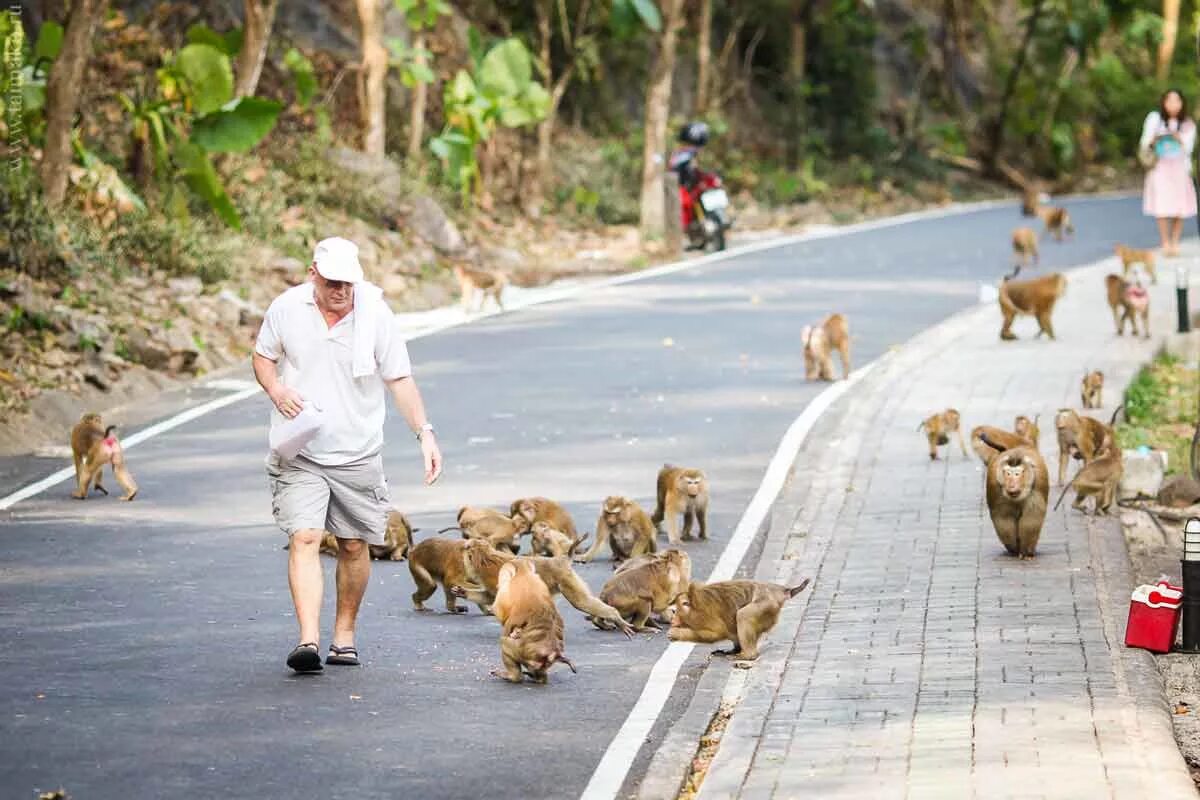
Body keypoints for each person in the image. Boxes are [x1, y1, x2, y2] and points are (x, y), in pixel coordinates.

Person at [253, 236, 443, 673]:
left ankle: (344, 635)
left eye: (349, 283)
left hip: (357, 450)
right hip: (300, 447)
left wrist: (425, 435)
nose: (341, 290)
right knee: (304, 536)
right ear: (312, 274)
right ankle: (307, 640)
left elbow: (400, 380)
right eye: (333, 281)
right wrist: (276, 389)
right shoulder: (286, 308)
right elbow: (263, 357)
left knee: (354, 545)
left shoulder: (376, 316)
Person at [1140, 88, 1197, 256]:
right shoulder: (1155, 120)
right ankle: (1165, 242)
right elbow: (1145, 143)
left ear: (1182, 103)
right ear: (1163, 103)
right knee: (1162, 205)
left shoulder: (1187, 124)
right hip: (1160, 167)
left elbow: (1189, 148)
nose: (1173, 104)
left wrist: (1178, 137)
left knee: (1179, 206)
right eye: (1169, 100)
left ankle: (1175, 241)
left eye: (1176, 100)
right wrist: (1156, 138)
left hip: (1179, 168)